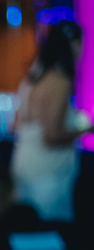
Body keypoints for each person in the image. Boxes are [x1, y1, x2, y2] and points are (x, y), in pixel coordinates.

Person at [12, 20, 91, 222]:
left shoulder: (31, 77)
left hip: (23, 166)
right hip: (48, 174)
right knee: (53, 231)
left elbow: (16, 124)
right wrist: (84, 130)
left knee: (28, 229)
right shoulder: (59, 80)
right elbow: (51, 136)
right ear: (72, 44)